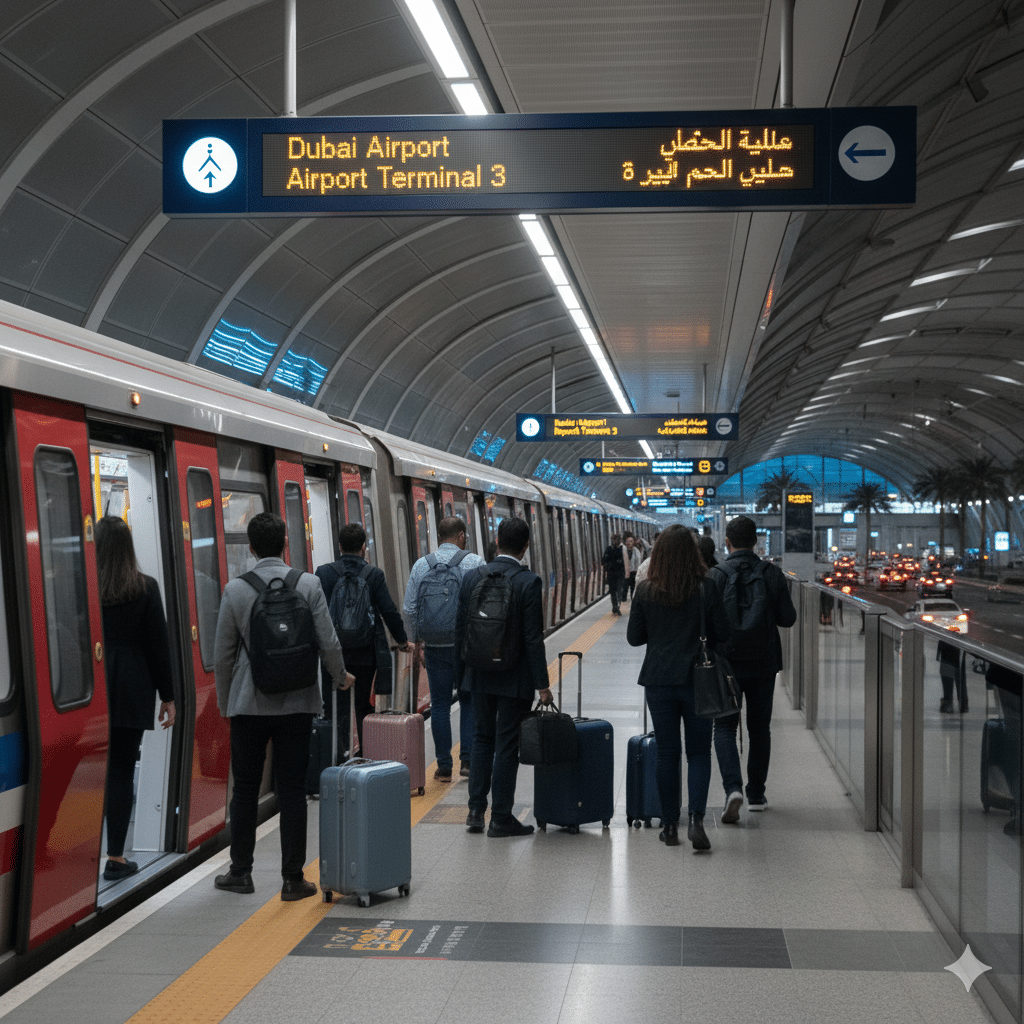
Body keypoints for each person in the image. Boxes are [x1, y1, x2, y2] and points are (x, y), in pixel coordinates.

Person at [214, 511, 352, 900]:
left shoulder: (236, 590)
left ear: (251, 547)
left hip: (249, 704)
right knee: (292, 789)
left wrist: (228, 705)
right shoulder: (308, 585)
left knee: (244, 789)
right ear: (286, 543)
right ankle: (293, 879)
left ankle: (240, 872)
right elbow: (328, 641)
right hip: (298, 702)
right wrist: (340, 677)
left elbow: (223, 655)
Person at [626, 525, 731, 850]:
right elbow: (723, 633)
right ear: (694, 553)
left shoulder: (645, 590)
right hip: (698, 680)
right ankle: (697, 821)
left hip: (659, 680)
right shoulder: (706, 587)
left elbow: (634, 637)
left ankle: (670, 826)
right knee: (698, 752)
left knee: (667, 753)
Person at [458, 517, 552, 837]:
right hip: (515, 678)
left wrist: (464, 674)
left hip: (479, 673)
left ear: (497, 541)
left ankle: (474, 810)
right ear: (525, 546)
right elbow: (533, 639)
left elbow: (462, 630)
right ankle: (500, 817)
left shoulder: (472, 578)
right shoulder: (529, 582)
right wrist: (543, 685)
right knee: (506, 745)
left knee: (481, 739)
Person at [95, 516, 176, 882]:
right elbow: (158, 646)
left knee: (91, 771)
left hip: (87, 686)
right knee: (121, 770)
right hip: (131, 685)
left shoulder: (81, 587)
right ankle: (115, 857)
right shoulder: (145, 588)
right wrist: (168, 697)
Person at [707, 515, 797, 820]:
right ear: (756, 541)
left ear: (727, 542)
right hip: (763, 663)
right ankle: (756, 794)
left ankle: (733, 789)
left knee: (724, 727)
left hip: (726, 663)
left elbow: (706, 624)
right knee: (760, 729)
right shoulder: (772, 574)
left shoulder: (716, 575)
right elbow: (788, 618)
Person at [403, 516, 485, 780]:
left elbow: (410, 609)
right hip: (466, 647)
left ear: (439, 536)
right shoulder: (474, 563)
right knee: (468, 700)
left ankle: (443, 766)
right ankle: (468, 762)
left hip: (435, 646)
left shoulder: (421, 566)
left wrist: (417, 642)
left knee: (439, 705)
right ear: (461, 536)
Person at [316, 523, 410, 751]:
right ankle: (366, 757)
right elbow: (389, 611)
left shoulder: (324, 573)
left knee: (335, 709)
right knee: (361, 706)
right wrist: (403, 640)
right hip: (365, 654)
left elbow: (317, 614)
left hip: (333, 654)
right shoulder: (373, 574)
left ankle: (337, 758)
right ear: (363, 548)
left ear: (339, 547)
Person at [937, 640, 967, 713]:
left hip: (947, 652)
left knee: (947, 678)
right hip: (956, 649)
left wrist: (938, 653)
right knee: (959, 679)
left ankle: (948, 703)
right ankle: (963, 703)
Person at [602, 533, 627, 615]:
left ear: (619, 540)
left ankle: (617, 606)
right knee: (613, 591)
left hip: (619, 574)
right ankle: (615, 606)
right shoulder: (609, 549)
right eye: (613, 539)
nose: (614, 541)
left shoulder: (622, 549)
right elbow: (603, 561)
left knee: (619, 590)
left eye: (615, 539)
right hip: (612, 574)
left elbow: (626, 561)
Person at [624, 534, 641, 600]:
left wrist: (638, 572)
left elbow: (638, 561)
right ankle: (623, 600)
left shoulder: (636, 550)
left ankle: (632, 599)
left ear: (633, 542)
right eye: (627, 541)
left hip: (633, 572)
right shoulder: (623, 550)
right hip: (626, 572)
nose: (629, 543)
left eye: (630, 541)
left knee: (632, 588)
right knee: (624, 587)